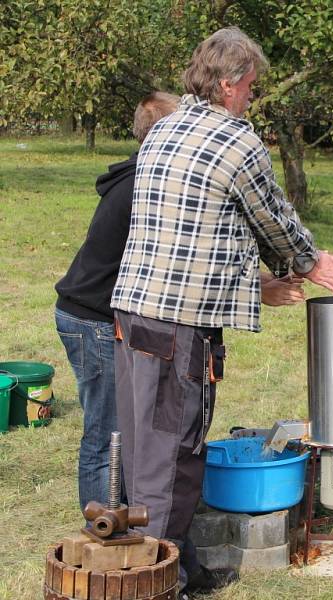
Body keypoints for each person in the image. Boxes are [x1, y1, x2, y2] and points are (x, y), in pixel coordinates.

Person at [110, 27, 333, 596]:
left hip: (132, 315)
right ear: (227, 84)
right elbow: (271, 216)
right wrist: (312, 263)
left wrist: (266, 278)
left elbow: (205, 228)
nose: (252, 96)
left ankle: (180, 567)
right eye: (250, 86)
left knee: (147, 449)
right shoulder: (235, 139)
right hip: (177, 328)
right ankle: (158, 583)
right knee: (173, 457)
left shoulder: (165, 128)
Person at [55, 92, 180, 512]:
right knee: (107, 430)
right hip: (91, 318)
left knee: (117, 426)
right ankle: (101, 528)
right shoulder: (144, 184)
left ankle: (119, 512)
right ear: (164, 133)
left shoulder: (137, 173)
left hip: (87, 311)